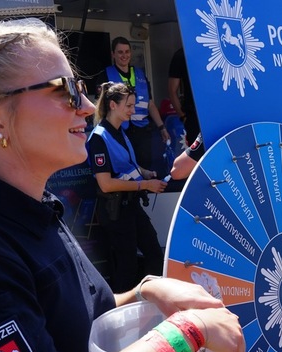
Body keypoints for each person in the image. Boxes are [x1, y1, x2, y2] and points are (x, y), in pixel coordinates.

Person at [0, 20, 245, 352]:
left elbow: (81, 318)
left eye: (81, 90)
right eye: (65, 91)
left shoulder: (35, 209)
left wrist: (144, 291)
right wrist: (188, 333)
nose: (86, 108)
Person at [86, 82, 167, 293]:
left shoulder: (120, 131)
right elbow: (105, 183)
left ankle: (152, 299)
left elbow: (126, 164)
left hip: (130, 206)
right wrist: (145, 184)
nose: (133, 110)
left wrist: (145, 172)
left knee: (154, 254)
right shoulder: (98, 138)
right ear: (113, 105)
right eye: (129, 106)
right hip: (115, 212)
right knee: (126, 266)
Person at [99, 37, 169, 171]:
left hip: (143, 132)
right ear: (113, 54)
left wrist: (161, 127)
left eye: (127, 52)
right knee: (126, 168)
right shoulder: (105, 75)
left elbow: (150, 103)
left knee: (147, 169)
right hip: (120, 131)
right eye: (120, 52)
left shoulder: (140, 74)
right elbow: (101, 107)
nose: (124, 55)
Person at [168, 48, 205, 180]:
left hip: (211, 115)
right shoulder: (181, 54)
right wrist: (183, 117)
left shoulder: (212, 48)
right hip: (193, 116)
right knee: (195, 165)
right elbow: (172, 90)